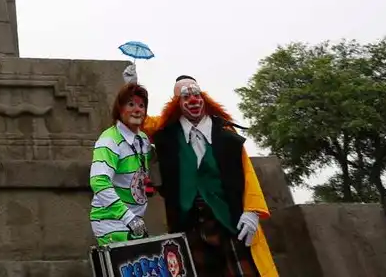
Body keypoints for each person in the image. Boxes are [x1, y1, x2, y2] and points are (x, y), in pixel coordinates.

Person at [140, 76, 279, 277]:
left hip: (228, 217)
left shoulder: (226, 133)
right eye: (185, 96)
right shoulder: (168, 135)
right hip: (190, 221)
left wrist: (252, 211)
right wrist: (134, 88)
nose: (193, 100)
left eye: (196, 94)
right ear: (176, 103)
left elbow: (247, 173)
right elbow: (138, 120)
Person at [90, 81, 153, 245]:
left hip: (136, 222)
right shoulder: (109, 140)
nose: (137, 109)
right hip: (110, 222)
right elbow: (98, 181)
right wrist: (128, 218)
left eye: (141, 105)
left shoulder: (143, 140)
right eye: (130, 104)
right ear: (120, 109)